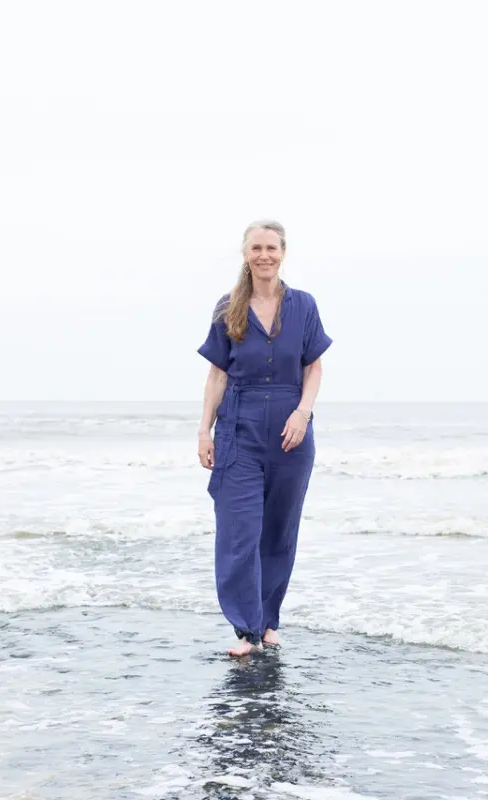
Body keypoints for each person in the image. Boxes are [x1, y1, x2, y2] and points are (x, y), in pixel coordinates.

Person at [196, 219, 332, 657]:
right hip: (239, 430)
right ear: (245, 254)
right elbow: (217, 375)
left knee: (279, 531)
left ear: (283, 253)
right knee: (239, 531)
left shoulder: (303, 305)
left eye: (271, 248)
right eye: (256, 248)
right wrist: (204, 430)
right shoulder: (228, 307)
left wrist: (303, 413)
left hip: (292, 432)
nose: (264, 255)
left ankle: (268, 621)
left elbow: (313, 367)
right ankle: (246, 629)